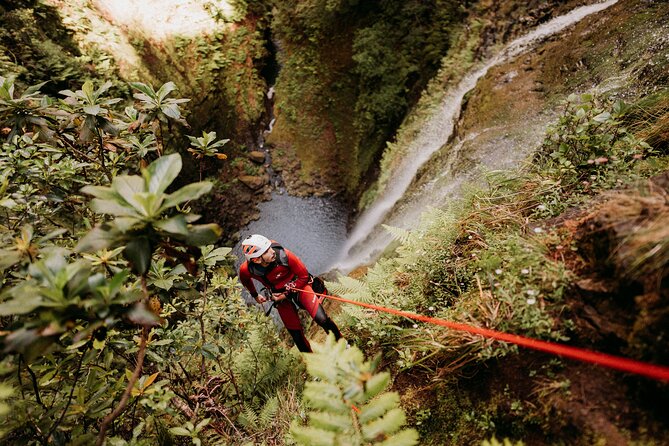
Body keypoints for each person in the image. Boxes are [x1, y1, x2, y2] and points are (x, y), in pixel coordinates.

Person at [238, 234, 342, 352]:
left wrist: (285, 294)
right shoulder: (247, 270)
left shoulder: (284, 255)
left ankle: (344, 345)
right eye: (267, 251)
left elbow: (304, 276)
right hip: (278, 295)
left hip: (299, 286)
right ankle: (314, 363)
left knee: (322, 319)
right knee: (297, 336)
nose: (272, 252)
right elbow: (245, 280)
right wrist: (255, 295)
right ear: (256, 259)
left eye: (270, 247)